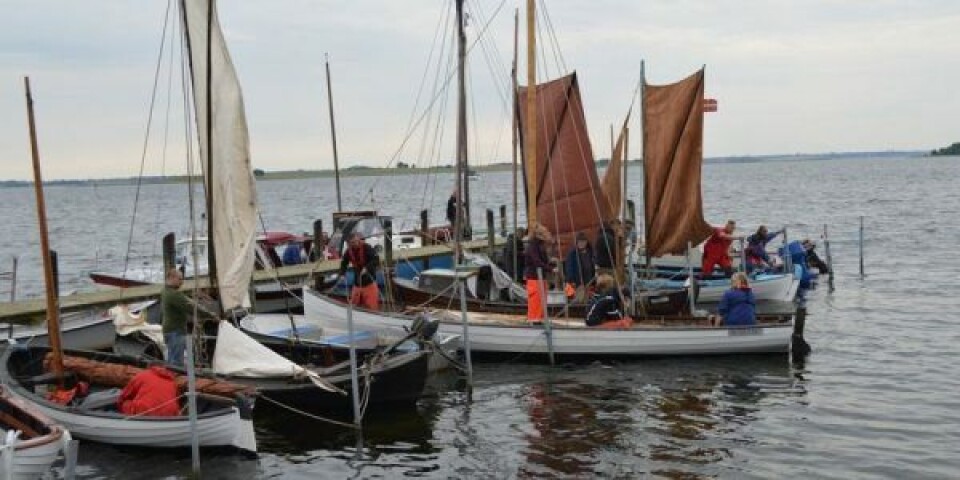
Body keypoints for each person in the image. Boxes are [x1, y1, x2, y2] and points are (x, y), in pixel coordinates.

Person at [338, 232, 381, 311]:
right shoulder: (348, 251)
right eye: (351, 243)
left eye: (355, 241)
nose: (354, 244)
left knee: (372, 307)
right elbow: (344, 263)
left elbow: (376, 260)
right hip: (357, 283)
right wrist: (342, 274)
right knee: (354, 305)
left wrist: (367, 268)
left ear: (358, 239)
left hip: (369, 282)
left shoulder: (367, 247)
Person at [117, 364, 181, 417]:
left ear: (149, 367)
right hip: (169, 414)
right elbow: (176, 398)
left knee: (124, 403)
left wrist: (119, 406)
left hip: (145, 411)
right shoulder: (172, 382)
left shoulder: (143, 375)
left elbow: (124, 395)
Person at [524, 223, 554, 324]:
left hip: (541, 277)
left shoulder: (541, 246)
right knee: (536, 300)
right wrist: (550, 269)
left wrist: (550, 265)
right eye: (545, 232)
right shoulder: (533, 246)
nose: (547, 234)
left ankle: (539, 319)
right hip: (534, 278)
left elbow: (543, 261)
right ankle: (533, 320)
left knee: (542, 300)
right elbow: (537, 262)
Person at [162, 268, 191, 367]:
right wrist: (211, 315)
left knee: (172, 358)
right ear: (172, 278)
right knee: (176, 363)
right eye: (180, 279)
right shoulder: (174, 294)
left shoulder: (166, 291)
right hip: (176, 331)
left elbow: (183, 300)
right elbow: (190, 307)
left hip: (169, 330)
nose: (182, 282)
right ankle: (175, 380)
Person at [563, 232, 595, 302]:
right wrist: (571, 280)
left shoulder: (590, 253)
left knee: (587, 299)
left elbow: (592, 266)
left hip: (588, 281)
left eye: (583, 242)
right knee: (577, 300)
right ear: (577, 242)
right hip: (576, 282)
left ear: (586, 242)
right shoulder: (573, 254)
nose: (581, 243)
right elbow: (569, 267)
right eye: (579, 242)